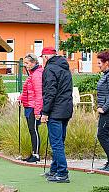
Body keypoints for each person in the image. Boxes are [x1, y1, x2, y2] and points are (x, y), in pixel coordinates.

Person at [40, 47, 73, 183]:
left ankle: (62, 173)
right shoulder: (65, 68)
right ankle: (54, 170)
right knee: (60, 141)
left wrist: (45, 112)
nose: (42, 60)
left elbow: (50, 92)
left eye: (42, 57)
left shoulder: (50, 69)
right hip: (66, 110)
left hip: (55, 111)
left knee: (56, 143)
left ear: (46, 57)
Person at [18, 53, 43, 162]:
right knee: (32, 130)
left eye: (27, 63)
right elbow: (27, 90)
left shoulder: (36, 75)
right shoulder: (32, 74)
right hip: (29, 105)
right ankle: (33, 153)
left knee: (34, 130)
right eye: (25, 63)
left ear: (33, 62)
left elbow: (39, 93)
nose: (25, 65)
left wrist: (37, 111)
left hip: (33, 107)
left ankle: (36, 155)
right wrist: (21, 98)